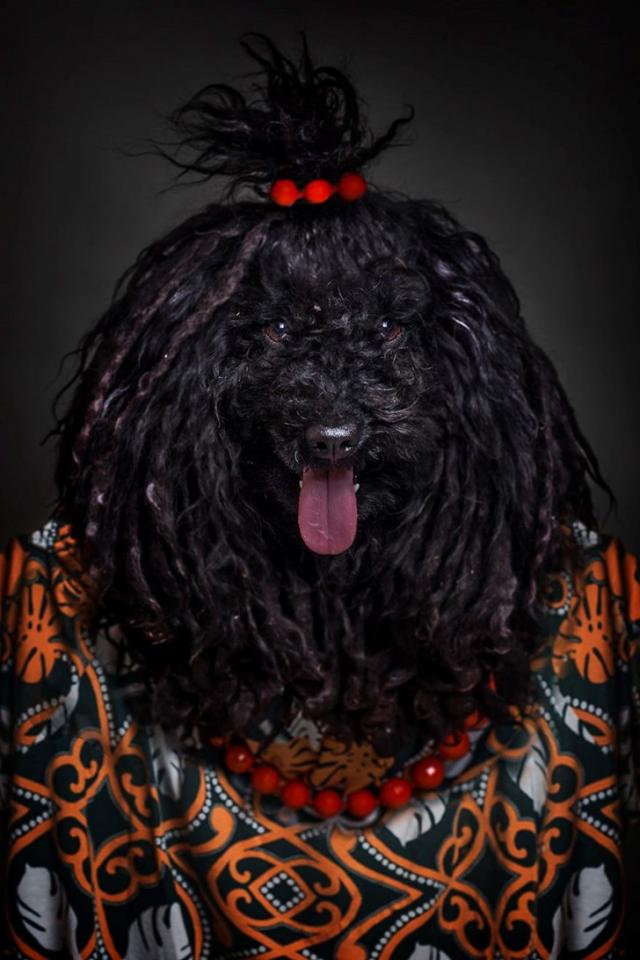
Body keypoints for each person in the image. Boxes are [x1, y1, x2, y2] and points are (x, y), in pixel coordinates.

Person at [1, 31, 638, 960]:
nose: (332, 421)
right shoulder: (53, 607)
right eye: (271, 336)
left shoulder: (587, 610)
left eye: (386, 334)